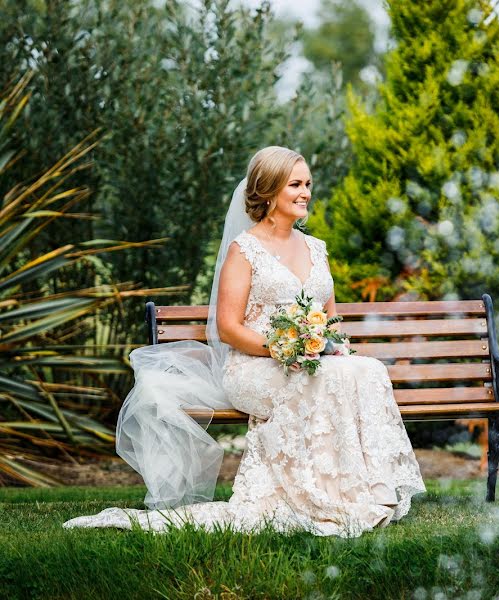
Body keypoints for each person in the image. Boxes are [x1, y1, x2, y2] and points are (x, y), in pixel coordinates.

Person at [63, 147, 426, 537]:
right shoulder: (245, 250)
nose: (305, 192)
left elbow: (330, 319)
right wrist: (283, 348)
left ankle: (364, 491)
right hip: (253, 367)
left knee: (367, 370)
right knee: (323, 379)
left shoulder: (316, 249)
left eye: (308, 184)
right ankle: (316, 496)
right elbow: (228, 328)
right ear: (269, 191)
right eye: (295, 185)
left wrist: (328, 346)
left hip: (306, 363)